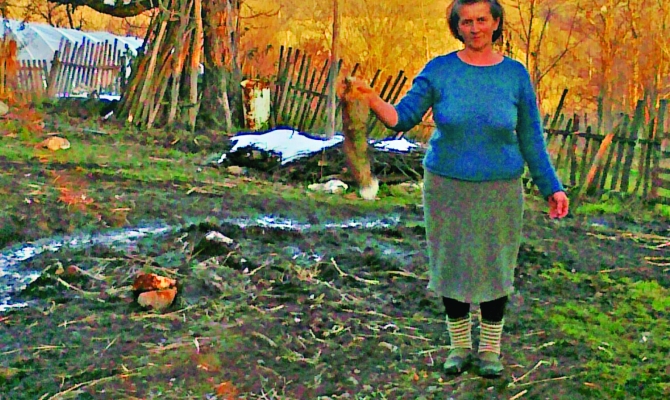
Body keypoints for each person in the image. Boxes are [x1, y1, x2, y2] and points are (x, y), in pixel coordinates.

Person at [347, 0, 570, 377]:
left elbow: (531, 137)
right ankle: (459, 347)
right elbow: (401, 118)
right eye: (466, 21)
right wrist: (369, 98)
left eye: (482, 20)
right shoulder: (439, 70)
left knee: (495, 265)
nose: (475, 28)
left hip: (499, 189)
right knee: (452, 265)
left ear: (495, 23)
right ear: (457, 26)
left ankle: (490, 351)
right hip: (447, 187)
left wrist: (552, 187)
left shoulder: (514, 75)